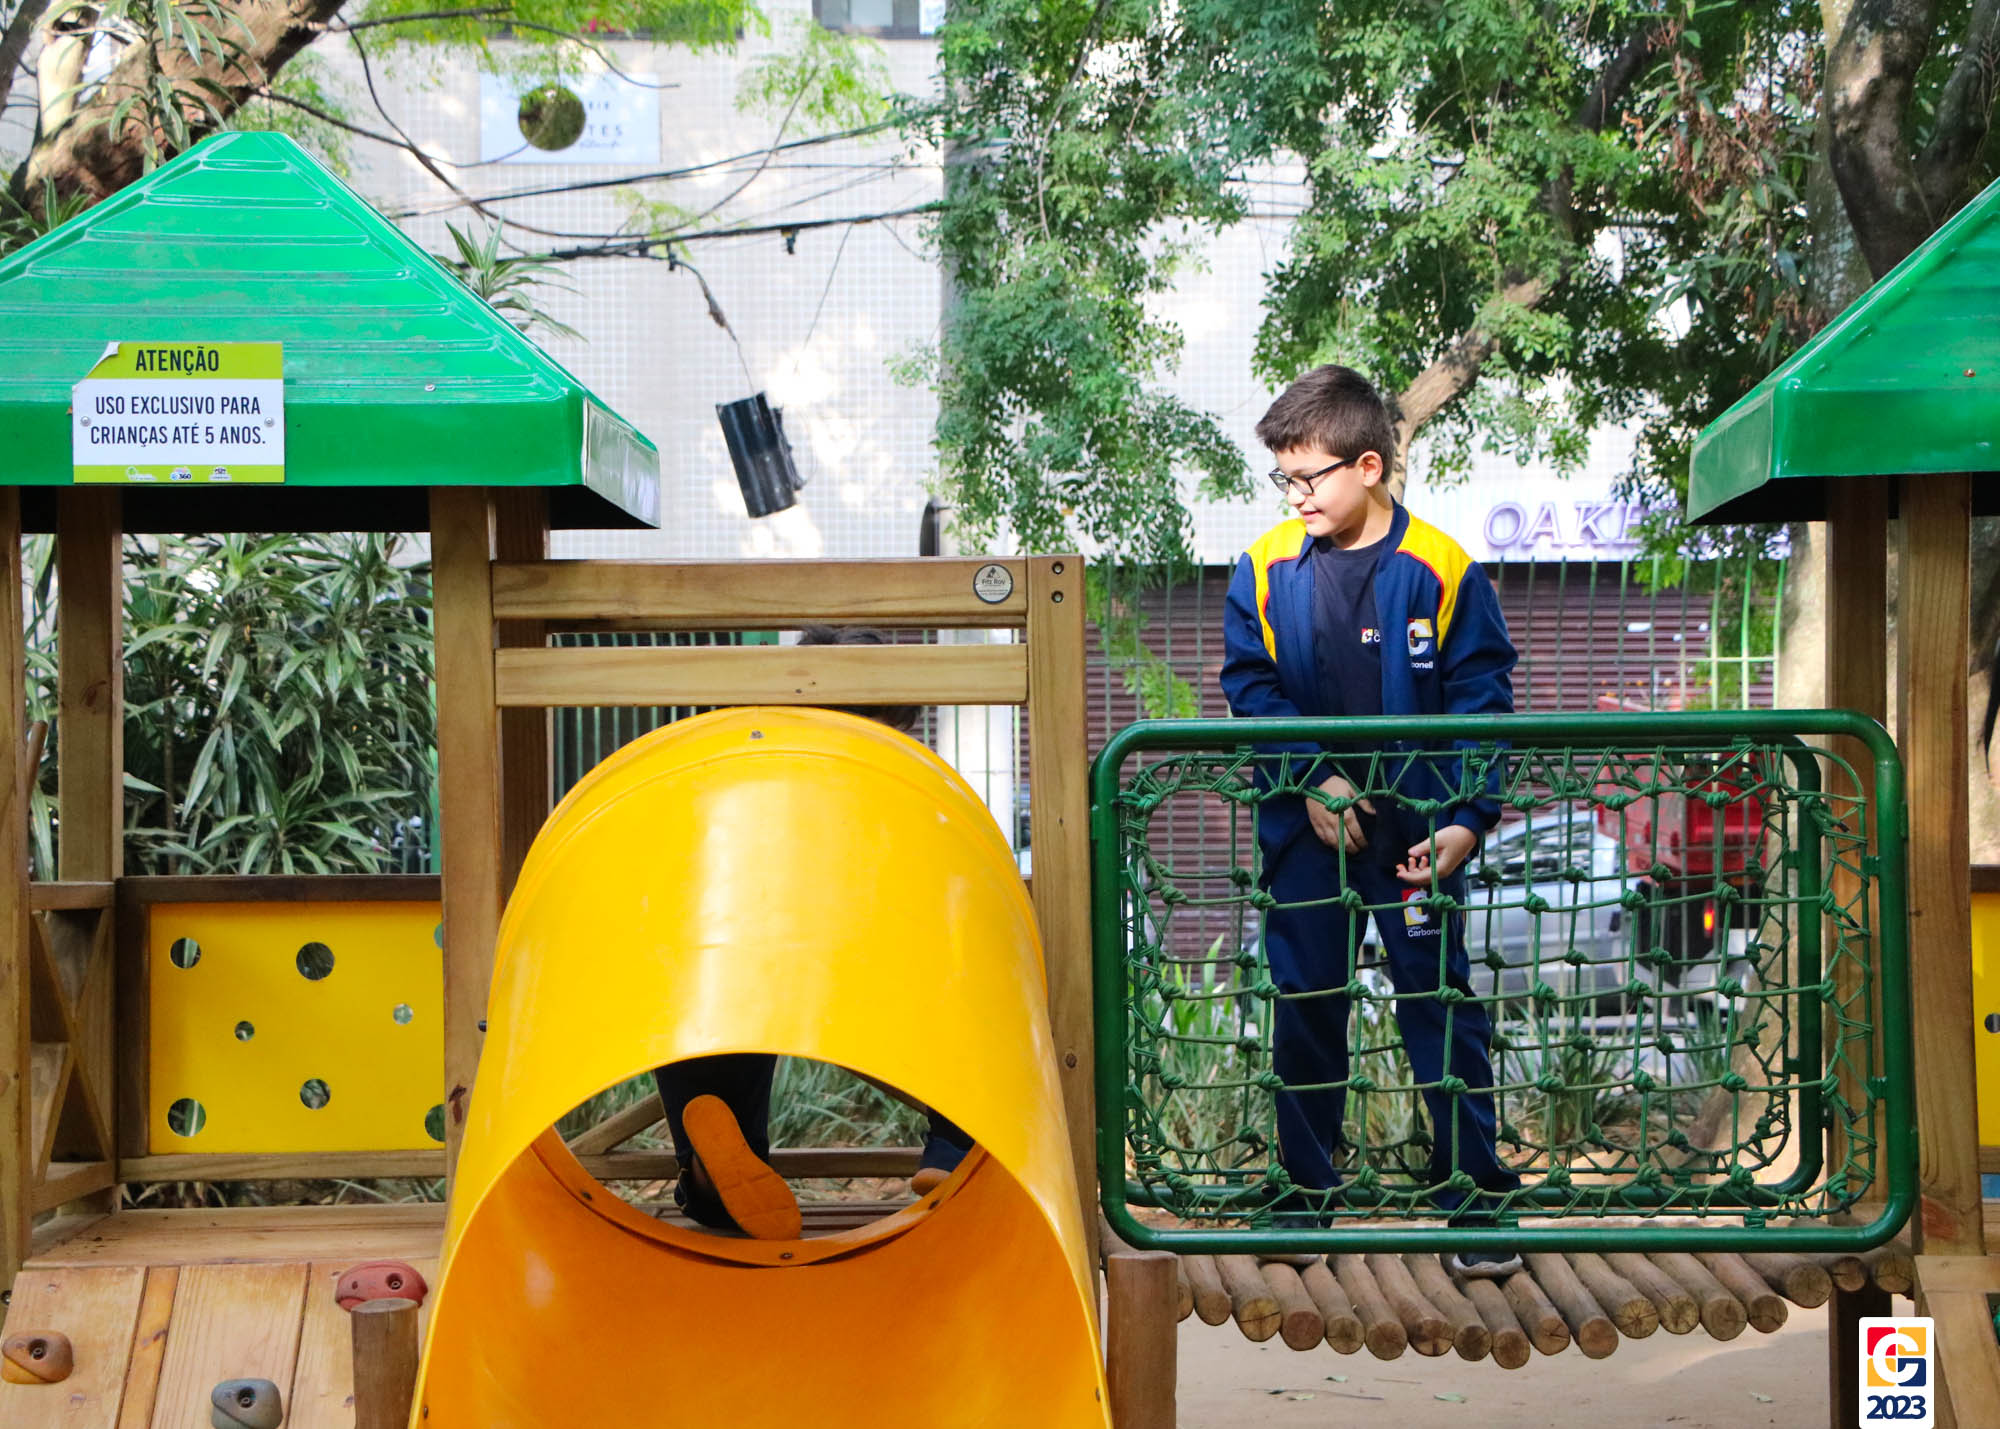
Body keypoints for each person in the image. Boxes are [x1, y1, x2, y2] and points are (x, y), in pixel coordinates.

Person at [1219, 364, 1522, 1279]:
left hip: (1417, 835)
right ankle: (1306, 1195)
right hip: (1310, 835)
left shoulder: (1442, 568)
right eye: (1284, 478)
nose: (1295, 495)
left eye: (1308, 476)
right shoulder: (1264, 570)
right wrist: (1315, 778)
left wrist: (1469, 818)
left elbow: (1482, 701)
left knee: (1439, 1005)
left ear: (1369, 466)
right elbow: (1251, 688)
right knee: (1307, 1005)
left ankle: (1474, 1197)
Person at [654, 625, 977, 1240]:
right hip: (870, 970)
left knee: (705, 999)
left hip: (750, 960)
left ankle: (709, 1172)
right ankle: (954, 1146)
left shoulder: (754, 783)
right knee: (968, 967)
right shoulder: (901, 787)